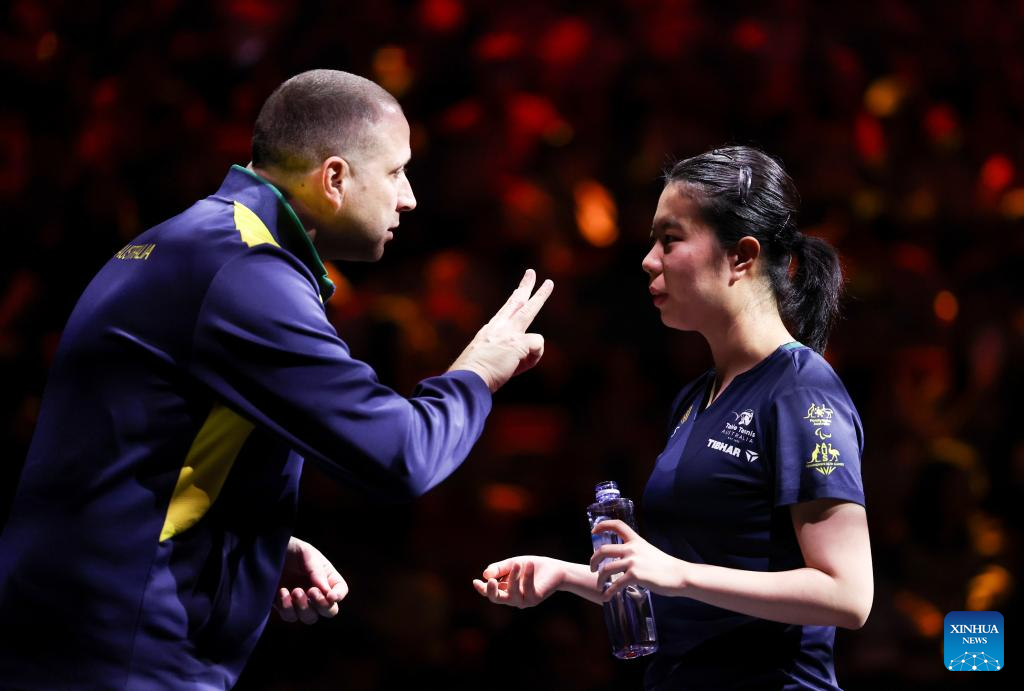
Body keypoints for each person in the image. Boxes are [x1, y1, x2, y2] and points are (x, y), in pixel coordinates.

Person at [0, 69, 553, 688]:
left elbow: (129, 455)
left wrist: (253, 546)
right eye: (396, 172)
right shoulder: (243, 272)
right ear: (335, 178)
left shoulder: (188, 241)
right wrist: (477, 371)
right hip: (120, 650)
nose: (410, 198)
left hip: (73, 626)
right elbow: (401, 455)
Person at [474, 146, 872, 690]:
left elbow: (848, 595)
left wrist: (677, 575)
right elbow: (682, 583)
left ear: (741, 256)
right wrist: (565, 576)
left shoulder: (801, 391)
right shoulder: (694, 398)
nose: (648, 259)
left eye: (670, 239)